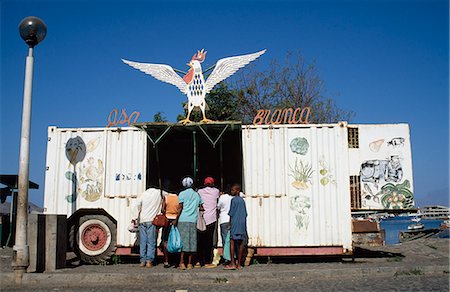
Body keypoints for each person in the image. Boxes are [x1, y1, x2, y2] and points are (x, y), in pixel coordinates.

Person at [174, 176, 203, 270]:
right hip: (193, 220)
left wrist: (176, 219)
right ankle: (190, 263)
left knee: (183, 242)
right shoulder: (196, 194)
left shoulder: (182, 194)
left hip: (183, 220)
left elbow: (180, 207)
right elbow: (201, 206)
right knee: (192, 242)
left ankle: (182, 262)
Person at [132, 186, 166, 268]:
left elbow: (137, 205)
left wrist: (135, 217)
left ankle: (142, 261)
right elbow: (168, 195)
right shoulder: (159, 193)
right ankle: (149, 261)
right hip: (152, 221)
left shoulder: (144, 194)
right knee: (151, 242)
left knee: (143, 241)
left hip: (143, 220)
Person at [197, 177, 220, 267]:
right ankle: (207, 261)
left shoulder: (200, 191)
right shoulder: (216, 191)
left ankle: (199, 261)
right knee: (209, 241)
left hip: (202, 219)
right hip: (212, 219)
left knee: (200, 240)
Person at [225, 183, 247, 270]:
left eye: (233, 190)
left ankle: (232, 263)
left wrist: (229, 224)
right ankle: (239, 264)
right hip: (242, 224)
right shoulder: (242, 201)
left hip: (234, 223)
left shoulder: (233, 200)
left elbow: (231, 213)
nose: (231, 191)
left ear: (237, 190)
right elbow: (245, 214)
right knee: (241, 243)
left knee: (232, 242)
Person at [161, 182, 179, 268]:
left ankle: (166, 260)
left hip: (167, 219)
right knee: (175, 239)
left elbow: (162, 209)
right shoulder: (178, 198)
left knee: (166, 240)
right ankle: (176, 261)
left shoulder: (166, 198)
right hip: (176, 220)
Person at [217, 186, 233, 265]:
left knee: (225, 240)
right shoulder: (233, 197)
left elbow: (218, 206)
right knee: (231, 240)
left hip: (223, 220)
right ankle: (233, 257)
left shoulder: (222, 197)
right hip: (232, 220)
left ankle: (227, 258)